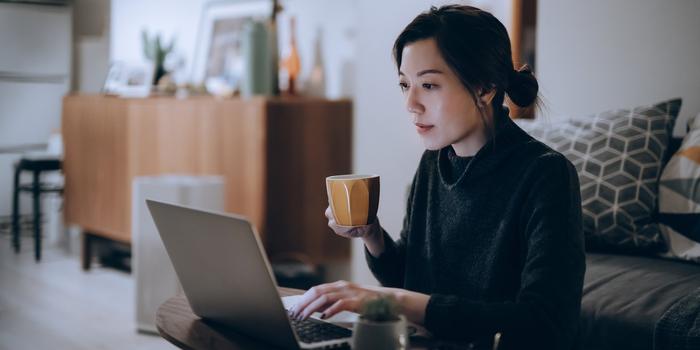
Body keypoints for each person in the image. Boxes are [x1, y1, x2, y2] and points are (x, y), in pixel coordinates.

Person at [289, 5, 585, 349]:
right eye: (405, 85)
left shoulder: (546, 175)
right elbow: (413, 279)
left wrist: (389, 301)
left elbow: (545, 325)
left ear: (485, 88)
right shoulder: (434, 163)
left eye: (428, 85)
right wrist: (372, 235)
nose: (411, 103)